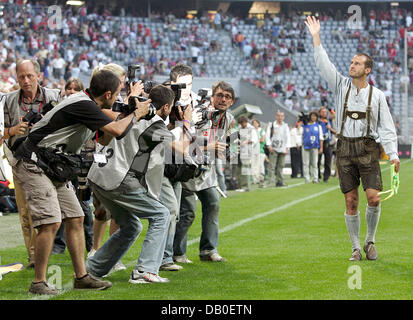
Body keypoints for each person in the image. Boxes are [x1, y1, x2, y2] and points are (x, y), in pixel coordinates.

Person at [12, 69, 152, 295]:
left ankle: (82, 277)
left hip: (52, 163)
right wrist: (135, 114)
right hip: (33, 162)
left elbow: (104, 138)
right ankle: (39, 281)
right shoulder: (83, 105)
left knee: (76, 217)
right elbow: (117, 131)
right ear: (107, 94)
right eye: (116, 94)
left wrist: (130, 113)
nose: (116, 98)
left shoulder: (89, 105)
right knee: (50, 222)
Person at [306, 16, 400, 261]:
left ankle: (370, 241)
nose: (352, 65)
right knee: (351, 201)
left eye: (357, 63)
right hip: (345, 148)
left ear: (367, 69)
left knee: (374, 198)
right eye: (351, 62)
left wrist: (393, 154)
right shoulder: (340, 86)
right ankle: (356, 247)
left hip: (369, 148)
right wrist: (316, 37)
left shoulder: (377, 96)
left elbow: (387, 127)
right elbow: (323, 64)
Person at [86, 84, 189, 283]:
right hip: (119, 179)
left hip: (98, 176)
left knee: (131, 226)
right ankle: (145, 270)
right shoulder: (156, 126)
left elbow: (107, 114)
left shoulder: (131, 112)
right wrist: (185, 120)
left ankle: (93, 269)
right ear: (167, 107)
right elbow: (184, 149)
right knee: (162, 214)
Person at [2, 59, 61, 268]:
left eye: (30, 76)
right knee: (26, 212)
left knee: (48, 211)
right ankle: (33, 258)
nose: (26, 81)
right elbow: (1, 132)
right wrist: (11, 131)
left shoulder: (54, 96)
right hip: (19, 162)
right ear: (16, 77)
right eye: (21, 76)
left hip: (48, 161)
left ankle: (45, 251)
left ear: (38, 76)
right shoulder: (7, 100)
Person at [173, 81, 233, 263]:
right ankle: (176, 252)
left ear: (232, 101)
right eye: (220, 95)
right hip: (186, 168)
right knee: (188, 211)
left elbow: (223, 143)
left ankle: (208, 250)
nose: (223, 100)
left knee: (213, 203)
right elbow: (182, 139)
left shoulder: (229, 119)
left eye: (227, 97)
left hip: (206, 172)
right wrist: (208, 146)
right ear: (212, 97)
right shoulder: (198, 113)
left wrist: (225, 150)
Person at [265, 111, 290, 187]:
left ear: (283, 117)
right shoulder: (272, 125)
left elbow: (287, 137)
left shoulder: (285, 126)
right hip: (273, 148)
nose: (280, 117)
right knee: (272, 166)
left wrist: (287, 148)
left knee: (281, 166)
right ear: (276, 116)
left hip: (282, 148)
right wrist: (269, 146)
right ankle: (270, 182)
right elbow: (267, 136)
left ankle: (280, 181)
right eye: (279, 116)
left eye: (281, 116)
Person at [236, 116, 258, 192]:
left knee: (245, 168)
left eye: (243, 123)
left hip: (247, 151)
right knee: (239, 169)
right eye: (241, 124)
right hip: (239, 150)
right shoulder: (240, 127)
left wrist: (246, 142)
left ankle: (246, 187)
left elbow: (254, 140)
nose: (242, 125)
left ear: (246, 122)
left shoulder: (251, 129)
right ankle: (240, 186)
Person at [302, 111, 324, 184]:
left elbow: (321, 138)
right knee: (306, 163)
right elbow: (301, 134)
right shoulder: (305, 125)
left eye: (315, 116)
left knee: (314, 163)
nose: (313, 117)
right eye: (312, 116)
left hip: (315, 146)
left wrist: (321, 147)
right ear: (310, 117)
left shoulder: (318, 126)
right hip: (305, 146)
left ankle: (315, 178)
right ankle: (307, 179)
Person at [318, 106, 336, 183]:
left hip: (328, 143)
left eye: (325, 112)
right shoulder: (317, 121)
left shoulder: (330, 121)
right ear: (319, 113)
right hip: (318, 142)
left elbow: (336, 131)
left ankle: (326, 177)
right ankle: (317, 176)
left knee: (328, 161)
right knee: (317, 161)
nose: (324, 113)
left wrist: (330, 128)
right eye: (322, 112)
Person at [251, 119, 266, 186]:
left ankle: (261, 178)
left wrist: (255, 140)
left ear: (258, 124)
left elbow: (262, 140)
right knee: (253, 165)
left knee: (260, 165)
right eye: (253, 123)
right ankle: (255, 179)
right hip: (253, 150)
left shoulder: (262, 130)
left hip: (260, 150)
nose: (255, 124)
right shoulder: (252, 131)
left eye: (256, 123)